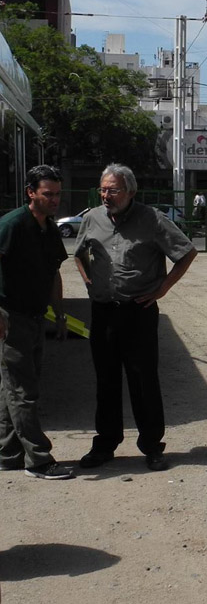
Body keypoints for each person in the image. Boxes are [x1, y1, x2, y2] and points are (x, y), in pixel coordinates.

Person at [74, 163, 197, 472]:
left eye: (112, 190)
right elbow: (79, 254)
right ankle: (105, 444)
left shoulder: (152, 220)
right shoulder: (91, 218)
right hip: (103, 313)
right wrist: (90, 283)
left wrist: (162, 289)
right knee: (106, 380)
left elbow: (186, 253)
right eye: (102, 189)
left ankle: (152, 446)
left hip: (138, 313)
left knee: (144, 381)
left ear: (130, 191)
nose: (106, 195)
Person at [0, 164, 73, 480]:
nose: (55, 200)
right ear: (31, 192)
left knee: (13, 390)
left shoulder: (49, 229)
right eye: (48, 194)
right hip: (10, 319)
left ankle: (7, 454)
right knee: (23, 391)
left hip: (35, 318)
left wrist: (58, 315)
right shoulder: (12, 225)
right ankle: (39, 460)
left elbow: (53, 273)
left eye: (58, 194)